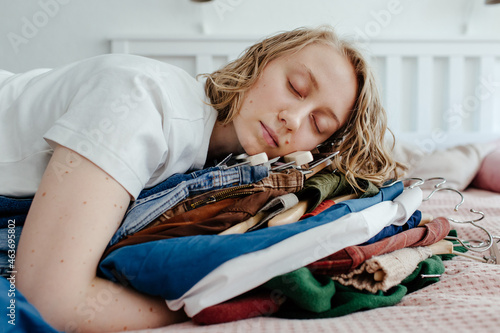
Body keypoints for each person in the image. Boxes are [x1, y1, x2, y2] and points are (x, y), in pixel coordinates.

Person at [0, 26, 402, 332]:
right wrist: (216, 300)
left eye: (318, 123)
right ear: (259, 61)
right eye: (295, 87)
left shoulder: (223, 169)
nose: (293, 120)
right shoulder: (142, 101)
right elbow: (47, 301)